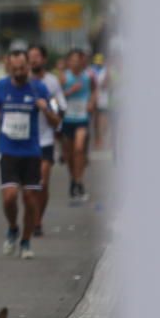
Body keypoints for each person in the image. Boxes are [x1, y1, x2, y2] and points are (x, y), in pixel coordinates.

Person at [0, 50, 59, 260]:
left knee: (30, 198)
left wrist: (46, 110)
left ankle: (25, 241)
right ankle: (13, 227)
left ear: (28, 66)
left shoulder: (39, 88)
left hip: (32, 151)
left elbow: (56, 121)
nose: (19, 72)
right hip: (7, 150)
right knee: (9, 197)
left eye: (22, 68)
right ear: (9, 67)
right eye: (14, 69)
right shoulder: (0, 86)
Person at [28, 45, 67, 236]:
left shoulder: (51, 83)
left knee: (42, 182)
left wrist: (48, 109)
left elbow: (60, 108)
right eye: (30, 57)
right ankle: (31, 216)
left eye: (37, 57)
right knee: (29, 187)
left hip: (44, 138)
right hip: (23, 141)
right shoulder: (22, 81)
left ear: (44, 59)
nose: (33, 60)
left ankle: (37, 220)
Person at [61, 49, 95, 203]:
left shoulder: (88, 76)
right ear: (68, 62)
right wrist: (69, 91)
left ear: (82, 61)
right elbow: (56, 96)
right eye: (72, 59)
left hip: (82, 117)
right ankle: (73, 179)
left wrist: (91, 102)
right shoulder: (63, 77)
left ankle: (79, 180)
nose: (75, 62)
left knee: (79, 149)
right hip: (67, 118)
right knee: (69, 155)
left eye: (78, 59)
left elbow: (95, 91)